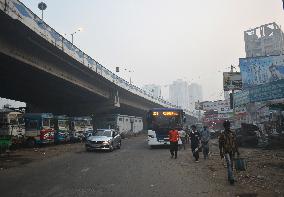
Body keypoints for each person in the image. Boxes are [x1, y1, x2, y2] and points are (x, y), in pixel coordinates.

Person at [219, 120, 240, 185]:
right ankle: (231, 178)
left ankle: (229, 177)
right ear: (224, 127)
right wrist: (221, 152)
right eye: (226, 126)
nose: (228, 127)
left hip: (232, 151)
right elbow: (220, 144)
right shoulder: (222, 135)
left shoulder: (233, 133)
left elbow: (235, 142)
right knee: (229, 164)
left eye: (229, 126)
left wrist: (237, 151)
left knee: (231, 165)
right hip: (226, 151)